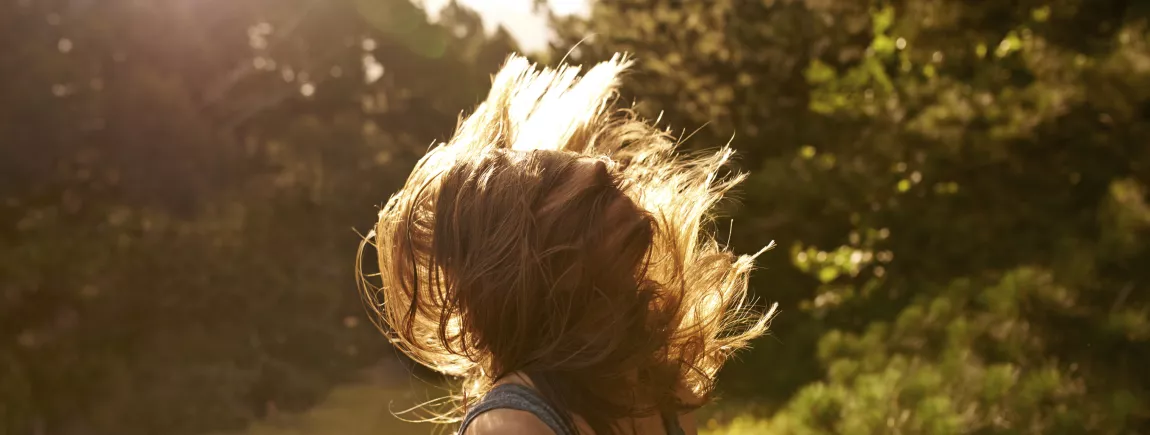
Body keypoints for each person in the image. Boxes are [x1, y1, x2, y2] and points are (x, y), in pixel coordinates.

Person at [358, 53, 776, 435]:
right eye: (588, 199)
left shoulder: (661, 387)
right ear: (530, 262)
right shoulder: (512, 426)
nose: (610, 176)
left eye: (612, 184)